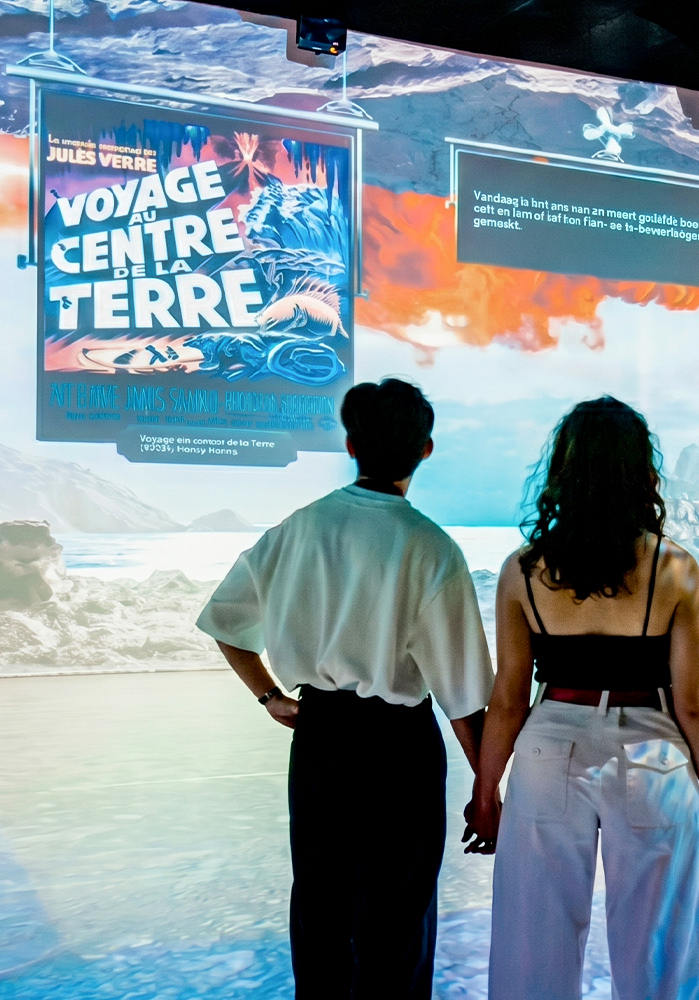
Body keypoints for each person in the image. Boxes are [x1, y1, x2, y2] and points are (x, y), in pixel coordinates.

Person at [196, 378, 496, 1000]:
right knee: (397, 914)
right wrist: (488, 789)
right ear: (427, 450)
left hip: (320, 738)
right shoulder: (431, 549)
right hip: (398, 746)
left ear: (351, 443)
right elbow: (463, 697)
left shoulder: (299, 529)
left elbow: (225, 622)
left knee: (321, 908)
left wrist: (270, 697)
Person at [467, 396, 699, 1000]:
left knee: (533, 945)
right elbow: (694, 705)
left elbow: (508, 700)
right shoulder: (676, 569)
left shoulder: (523, 569)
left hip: (547, 747)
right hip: (651, 758)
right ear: (641, 471)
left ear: (564, 470)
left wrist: (486, 793)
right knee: (661, 949)